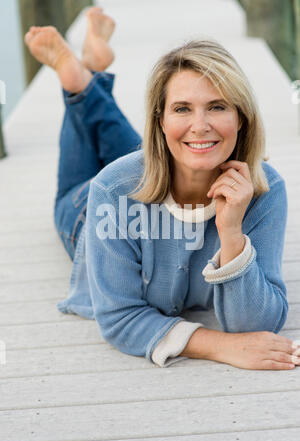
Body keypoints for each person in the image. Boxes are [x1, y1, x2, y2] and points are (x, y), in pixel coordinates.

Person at [25, 6, 300, 370]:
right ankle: (79, 84)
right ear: (160, 120)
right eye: (182, 108)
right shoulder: (111, 191)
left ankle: (88, 77)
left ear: (241, 117)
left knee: (184, 145)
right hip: (84, 212)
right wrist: (218, 345)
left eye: (217, 106)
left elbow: (256, 324)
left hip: (161, 162)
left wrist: (232, 233)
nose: (200, 124)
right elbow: (120, 317)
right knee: (88, 180)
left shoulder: (265, 189)